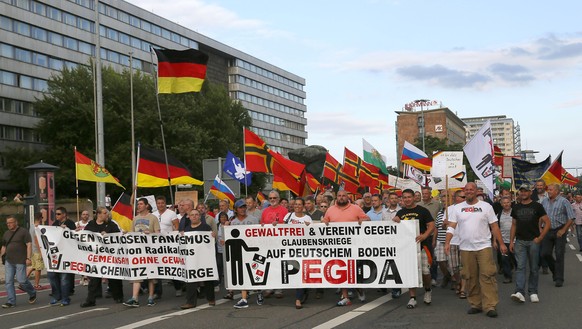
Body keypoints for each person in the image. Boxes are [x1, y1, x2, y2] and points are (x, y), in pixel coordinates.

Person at [445, 182, 506, 318]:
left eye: (471, 189)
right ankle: (475, 304)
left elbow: (494, 226)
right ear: (464, 191)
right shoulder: (457, 208)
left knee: (487, 275)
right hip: (465, 248)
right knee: (470, 276)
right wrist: (447, 242)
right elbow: (451, 226)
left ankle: (490, 305)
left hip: (483, 246)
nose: (469, 191)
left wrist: (501, 243)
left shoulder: (486, 207)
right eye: (466, 190)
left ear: (476, 191)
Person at [323, 189, 370, 306]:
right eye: (339, 196)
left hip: (354, 246)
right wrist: (323, 222)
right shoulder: (330, 209)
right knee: (342, 270)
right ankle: (345, 297)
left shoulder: (355, 208)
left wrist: (362, 220)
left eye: (344, 195)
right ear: (336, 198)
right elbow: (324, 221)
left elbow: (368, 219)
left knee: (355, 271)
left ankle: (359, 289)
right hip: (338, 246)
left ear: (347, 197)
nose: (341, 197)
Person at [391, 189, 435, 309]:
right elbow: (394, 228)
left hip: (422, 245)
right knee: (411, 272)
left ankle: (427, 290)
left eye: (409, 197)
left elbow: (431, 225)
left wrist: (424, 235)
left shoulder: (423, 211)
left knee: (425, 271)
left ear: (414, 198)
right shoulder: (400, 212)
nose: (407, 199)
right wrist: (395, 221)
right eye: (404, 197)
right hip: (407, 247)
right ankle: (412, 298)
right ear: (402, 199)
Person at [509, 185, 550, 303]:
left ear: (530, 192)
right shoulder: (516, 207)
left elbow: (547, 223)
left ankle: (533, 292)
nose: (523, 193)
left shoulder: (537, 206)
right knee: (520, 267)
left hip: (533, 240)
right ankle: (519, 292)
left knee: (534, 268)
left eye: (525, 191)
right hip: (520, 241)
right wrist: (512, 241)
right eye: (521, 191)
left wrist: (540, 237)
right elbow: (514, 225)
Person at [81, 207, 124, 307]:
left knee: (114, 278)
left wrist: (108, 235)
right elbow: (84, 236)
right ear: (98, 214)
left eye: (107, 213)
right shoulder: (91, 224)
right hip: (96, 257)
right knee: (94, 279)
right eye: (105, 213)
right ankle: (90, 299)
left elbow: (118, 236)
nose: (107, 215)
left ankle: (118, 296)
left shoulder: (111, 224)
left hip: (110, 256)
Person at [123, 198, 161, 307]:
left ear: (146, 205)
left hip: (150, 250)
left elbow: (158, 234)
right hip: (138, 251)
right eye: (138, 204)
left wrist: (151, 233)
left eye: (140, 204)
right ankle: (134, 298)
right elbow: (132, 233)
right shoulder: (135, 218)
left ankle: (150, 297)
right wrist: (127, 233)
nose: (138, 206)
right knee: (137, 273)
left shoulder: (153, 218)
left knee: (151, 275)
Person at [228, 199, 262, 308]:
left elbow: (260, 233)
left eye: (244, 207)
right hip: (240, 253)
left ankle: (259, 292)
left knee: (255, 272)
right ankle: (243, 298)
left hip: (253, 250)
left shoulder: (254, 219)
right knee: (243, 274)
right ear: (236, 210)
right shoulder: (233, 223)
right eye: (240, 207)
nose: (242, 209)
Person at [540, 183, 575, 287]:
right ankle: (555, 270)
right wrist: (540, 228)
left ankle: (559, 278)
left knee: (559, 254)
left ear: (557, 191)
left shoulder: (564, 201)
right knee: (544, 253)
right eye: (548, 190)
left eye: (550, 189)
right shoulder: (545, 201)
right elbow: (541, 216)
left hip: (559, 231)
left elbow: (571, 217)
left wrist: (564, 230)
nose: (548, 191)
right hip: (547, 230)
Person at [280, 197, 312, 309]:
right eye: (296, 204)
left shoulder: (308, 218)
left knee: (301, 273)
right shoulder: (288, 216)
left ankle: (298, 298)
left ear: (303, 206)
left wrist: (309, 227)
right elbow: (281, 230)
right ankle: (304, 291)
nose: (297, 206)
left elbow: (312, 233)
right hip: (290, 249)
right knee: (294, 272)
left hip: (303, 250)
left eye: (300, 204)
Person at [180, 210, 216, 309]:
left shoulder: (206, 228)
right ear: (189, 217)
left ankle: (211, 298)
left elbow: (211, 242)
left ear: (200, 216)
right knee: (190, 279)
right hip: (192, 259)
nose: (194, 216)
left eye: (196, 215)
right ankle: (191, 302)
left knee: (208, 278)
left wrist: (213, 236)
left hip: (204, 257)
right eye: (192, 215)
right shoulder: (186, 230)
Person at [1, 216, 37, 308]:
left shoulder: (23, 232)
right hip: (9, 260)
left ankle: (32, 292)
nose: (9, 224)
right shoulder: (6, 233)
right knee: (8, 282)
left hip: (20, 260)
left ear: (16, 222)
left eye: (11, 222)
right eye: (7, 223)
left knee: (22, 280)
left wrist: (28, 258)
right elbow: (4, 246)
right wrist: (1, 256)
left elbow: (29, 244)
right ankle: (11, 301)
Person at [48, 207, 76, 306]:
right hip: (56, 254)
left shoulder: (70, 223)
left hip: (66, 254)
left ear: (64, 214)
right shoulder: (55, 224)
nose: (57, 216)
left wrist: (67, 229)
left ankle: (65, 297)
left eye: (59, 214)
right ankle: (57, 295)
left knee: (64, 277)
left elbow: (74, 236)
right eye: (56, 214)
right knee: (52, 275)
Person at [433, 190, 452, 289]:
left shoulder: (454, 211)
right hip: (440, 240)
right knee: (440, 261)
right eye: (442, 197)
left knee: (451, 262)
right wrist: (434, 240)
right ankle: (447, 275)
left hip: (452, 240)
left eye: (446, 196)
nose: (444, 199)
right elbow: (436, 226)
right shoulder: (440, 212)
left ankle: (454, 279)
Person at [26, 213, 44, 290]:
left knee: (34, 266)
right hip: (37, 250)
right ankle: (36, 285)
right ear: (40, 218)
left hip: (33, 250)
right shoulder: (37, 227)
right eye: (42, 218)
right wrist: (41, 252)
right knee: (38, 268)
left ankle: (22, 281)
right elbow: (37, 240)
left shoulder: (32, 226)